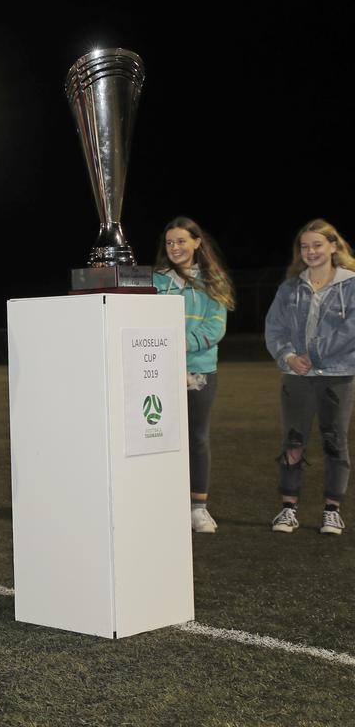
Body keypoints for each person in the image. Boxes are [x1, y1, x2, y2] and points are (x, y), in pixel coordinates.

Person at [265, 219, 355, 536]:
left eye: (317, 245)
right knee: (293, 442)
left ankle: (332, 511)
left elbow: (350, 331)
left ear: (333, 246)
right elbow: (274, 328)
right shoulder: (290, 288)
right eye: (305, 246)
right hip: (296, 376)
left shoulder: (351, 285)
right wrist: (289, 356)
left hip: (337, 375)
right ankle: (288, 509)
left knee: (335, 442)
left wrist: (314, 356)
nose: (311, 251)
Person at [152, 217, 235, 533]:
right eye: (170, 242)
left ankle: (198, 508)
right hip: (157, 370)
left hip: (199, 371)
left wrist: (177, 344)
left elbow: (216, 327)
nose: (175, 247)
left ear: (197, 242)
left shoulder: (215, 280)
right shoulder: (157, 281)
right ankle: (164, 502)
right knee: (159, 437)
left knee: (196, 438)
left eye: (181, 241)